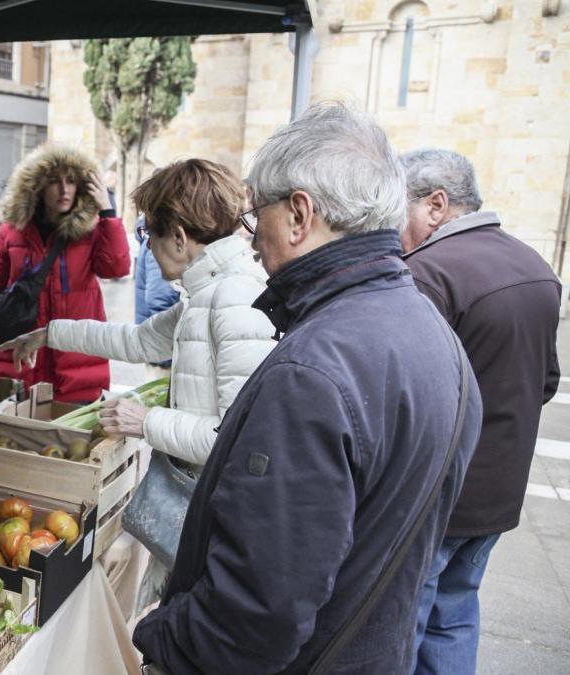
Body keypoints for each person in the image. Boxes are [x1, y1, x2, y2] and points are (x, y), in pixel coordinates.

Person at [131, 103, 483, 674]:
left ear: (299, 215)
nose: (248, 239)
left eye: (254, 217)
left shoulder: (314, 371)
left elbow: (253, 617)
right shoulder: (432, 333)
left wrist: (161, 635)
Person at [400, 150, 561, 674]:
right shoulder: (533, 263)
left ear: (436, 205)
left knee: (402, 625)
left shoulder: (428, 273)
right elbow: (546, 382)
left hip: (437, 496)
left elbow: (407, 398)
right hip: (497, 492)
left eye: (397, 209)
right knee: (454, 615)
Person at [4, 158, 272, 464]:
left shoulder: (234, 299)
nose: (148, 248)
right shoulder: (205, 294)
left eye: (147, 235)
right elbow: (138, 341)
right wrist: (48, 334)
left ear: (178, 238)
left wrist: (145, 420)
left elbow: (236, 439)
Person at [0, 144, 130, 402]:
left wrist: (107, 211)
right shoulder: (12, 231)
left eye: (71, 181)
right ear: (37, 185)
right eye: (55, 181)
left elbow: (117, 268)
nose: (65, 189)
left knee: (69, 436)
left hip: (76, 361)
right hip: (20, 358)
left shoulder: (91, 232)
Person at [132, 214, 181, 376]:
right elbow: (160, 299)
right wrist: (169, 356)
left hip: (161, 353)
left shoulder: (158, 231)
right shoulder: (163, 234)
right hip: (165, 359)